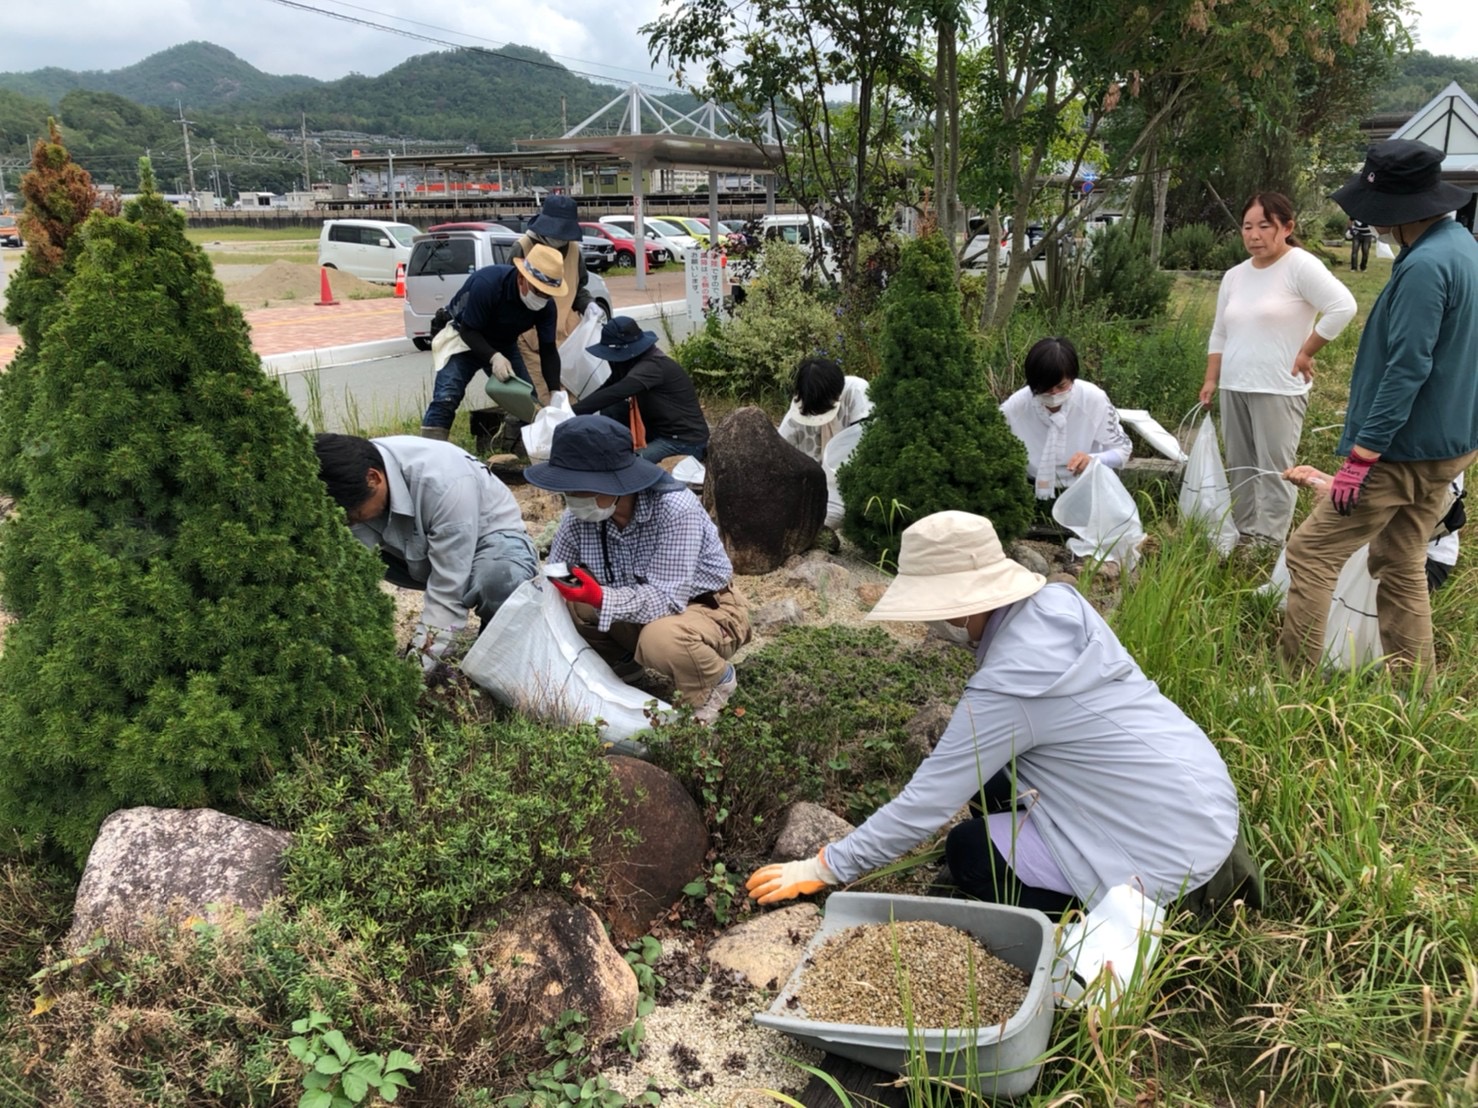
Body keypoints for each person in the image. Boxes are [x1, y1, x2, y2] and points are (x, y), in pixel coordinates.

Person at [744, 512, 1259, 919]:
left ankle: (1082, 917)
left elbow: (925, 804)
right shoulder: (1059, 605)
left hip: (1170, 862)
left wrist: (823, 866)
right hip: (1199, 802)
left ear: (959, 604)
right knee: (989, 778)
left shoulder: (1011, 682)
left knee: (968, 851)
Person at [1281, 139, 1478, 679]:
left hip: (1398, 451)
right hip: (1446, 446)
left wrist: (1361, 455)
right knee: (1401, 559)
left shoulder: (1425, 267)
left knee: (1310, 553)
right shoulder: (1462, 247)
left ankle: (1291, 688)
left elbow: (1408, 367)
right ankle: (1416, 692)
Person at [523, 415, 750, 720]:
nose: (574, 500)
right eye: (568, 491)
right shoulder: (579, 518)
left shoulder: (674, 509)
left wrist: (601, 598)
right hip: (637, 609)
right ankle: (624, 666)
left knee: (661, 640)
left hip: (703, 608)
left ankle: (715, 682)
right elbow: (555, 574)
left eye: (581, 490)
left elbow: (667, 600)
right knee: (570, 602)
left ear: (616, 482)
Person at [1200, 192, 1357, 546]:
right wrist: (1212, 378)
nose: (1254, 235)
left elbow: (1343, 307)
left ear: (1287, 227)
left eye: (1264, 226)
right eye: (1247, 227)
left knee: (1274, 468)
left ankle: (1268, 541)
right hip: (1235, 384)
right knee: (1239, 464)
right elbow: (1220, 331)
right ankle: (1241, 532)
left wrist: (1306, 351)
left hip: (1278, 386)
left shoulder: (1299, 265)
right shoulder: (1235, 276)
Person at [313, 433, 539, 672]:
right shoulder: (348, 474)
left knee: (497, 581)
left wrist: (417, 669)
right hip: (413, 550)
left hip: (487, 543)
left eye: (353, 515)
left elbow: (448, 593)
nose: (348, 522)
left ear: (374, 478)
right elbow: (343, 578)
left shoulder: (444, 482)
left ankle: (501, 653)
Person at [420, 242, 565, 442]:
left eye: (547, 294)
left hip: (504, 344)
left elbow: (548, 349)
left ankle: (532, 448)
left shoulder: (546, 307)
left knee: (528, 401)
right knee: (447, 396)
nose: (542, 298)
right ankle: (431, 447)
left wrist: (555, 391)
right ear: (522, 278)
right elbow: (468, 331)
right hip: (464, 339)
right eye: (538, 291)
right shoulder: (487, 284)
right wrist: (493, 357)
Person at [1284, 466, 1466, 595]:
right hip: (1375, 549)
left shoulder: (1437, 446)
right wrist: (1336, 484)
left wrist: (1352, 496)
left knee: (1309, 558)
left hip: (1422, 563)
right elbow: (1381, 488)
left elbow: (1423, 516)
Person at [999, 337, 1131, 500]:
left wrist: (1093, 459)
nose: (1054, 393)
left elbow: (1123, 450)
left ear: (1073, 378)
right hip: (1030, 488)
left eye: (1061, 386)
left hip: (1086, 487)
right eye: (1045, 388)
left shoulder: (1093, 399)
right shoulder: (1016, 407)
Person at [571, 317, 710, 462]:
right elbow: (609, 387)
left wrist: (574, 412)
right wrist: (570, 411)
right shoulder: (635, 362)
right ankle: (616, 448)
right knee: (612, 409)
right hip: (657, 431)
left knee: (629, 465)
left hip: (683, 442)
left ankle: (625, 456)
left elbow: (616, 392)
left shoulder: (652, 366)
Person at [778, 356, 873, 529]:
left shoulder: (856, 392)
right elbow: (778, 451)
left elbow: (866, 441)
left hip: (855, 480)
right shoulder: (797, 414)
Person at [777, 356, 873, 461]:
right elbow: (778, 450)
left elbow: (867, 437)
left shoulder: (856, 390)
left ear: (837, 394)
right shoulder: (795, 417)